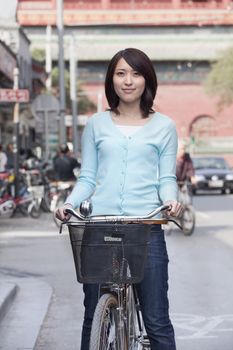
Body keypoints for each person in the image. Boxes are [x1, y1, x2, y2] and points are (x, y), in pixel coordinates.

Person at [56, 48, 183, 350]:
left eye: (136, 73)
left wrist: (171, 200)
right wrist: (70, 204)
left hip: (147, 228)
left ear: (146, 80)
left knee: (156, 321)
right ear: (111, 79)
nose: (128, 81)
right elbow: (87, 177)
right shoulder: (97, 124)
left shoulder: (164, 126)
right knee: (93, 316)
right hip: (101, 229)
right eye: (121, 73)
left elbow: (166, 177)